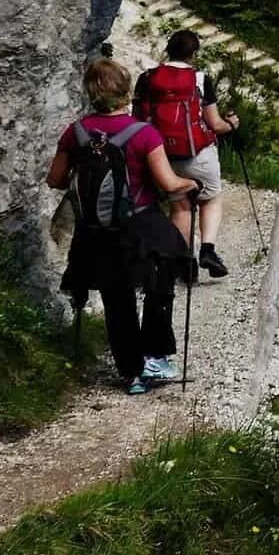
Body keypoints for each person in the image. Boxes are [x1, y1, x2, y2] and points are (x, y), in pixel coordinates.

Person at [48, 58, 200, 395]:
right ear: (126, 91)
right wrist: (189, 185)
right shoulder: (144, 133)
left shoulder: (76, 133)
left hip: (96, 232)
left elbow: (55, 180)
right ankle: (156, 357)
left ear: (90, 93)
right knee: (161, 279)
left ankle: (131, 373)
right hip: (140, 225)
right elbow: (169, 183)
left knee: (117, 299)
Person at [132, 30, 240, 278]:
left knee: (180, 206)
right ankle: (208, 250)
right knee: (210, 198)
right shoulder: (200, 79)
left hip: (160, 156)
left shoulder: (147, 78)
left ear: (168, 49)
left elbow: (136, 119)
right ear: (194, 53)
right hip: (197, 153)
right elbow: (214, 124)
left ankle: (184, 260)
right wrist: (232, 124)